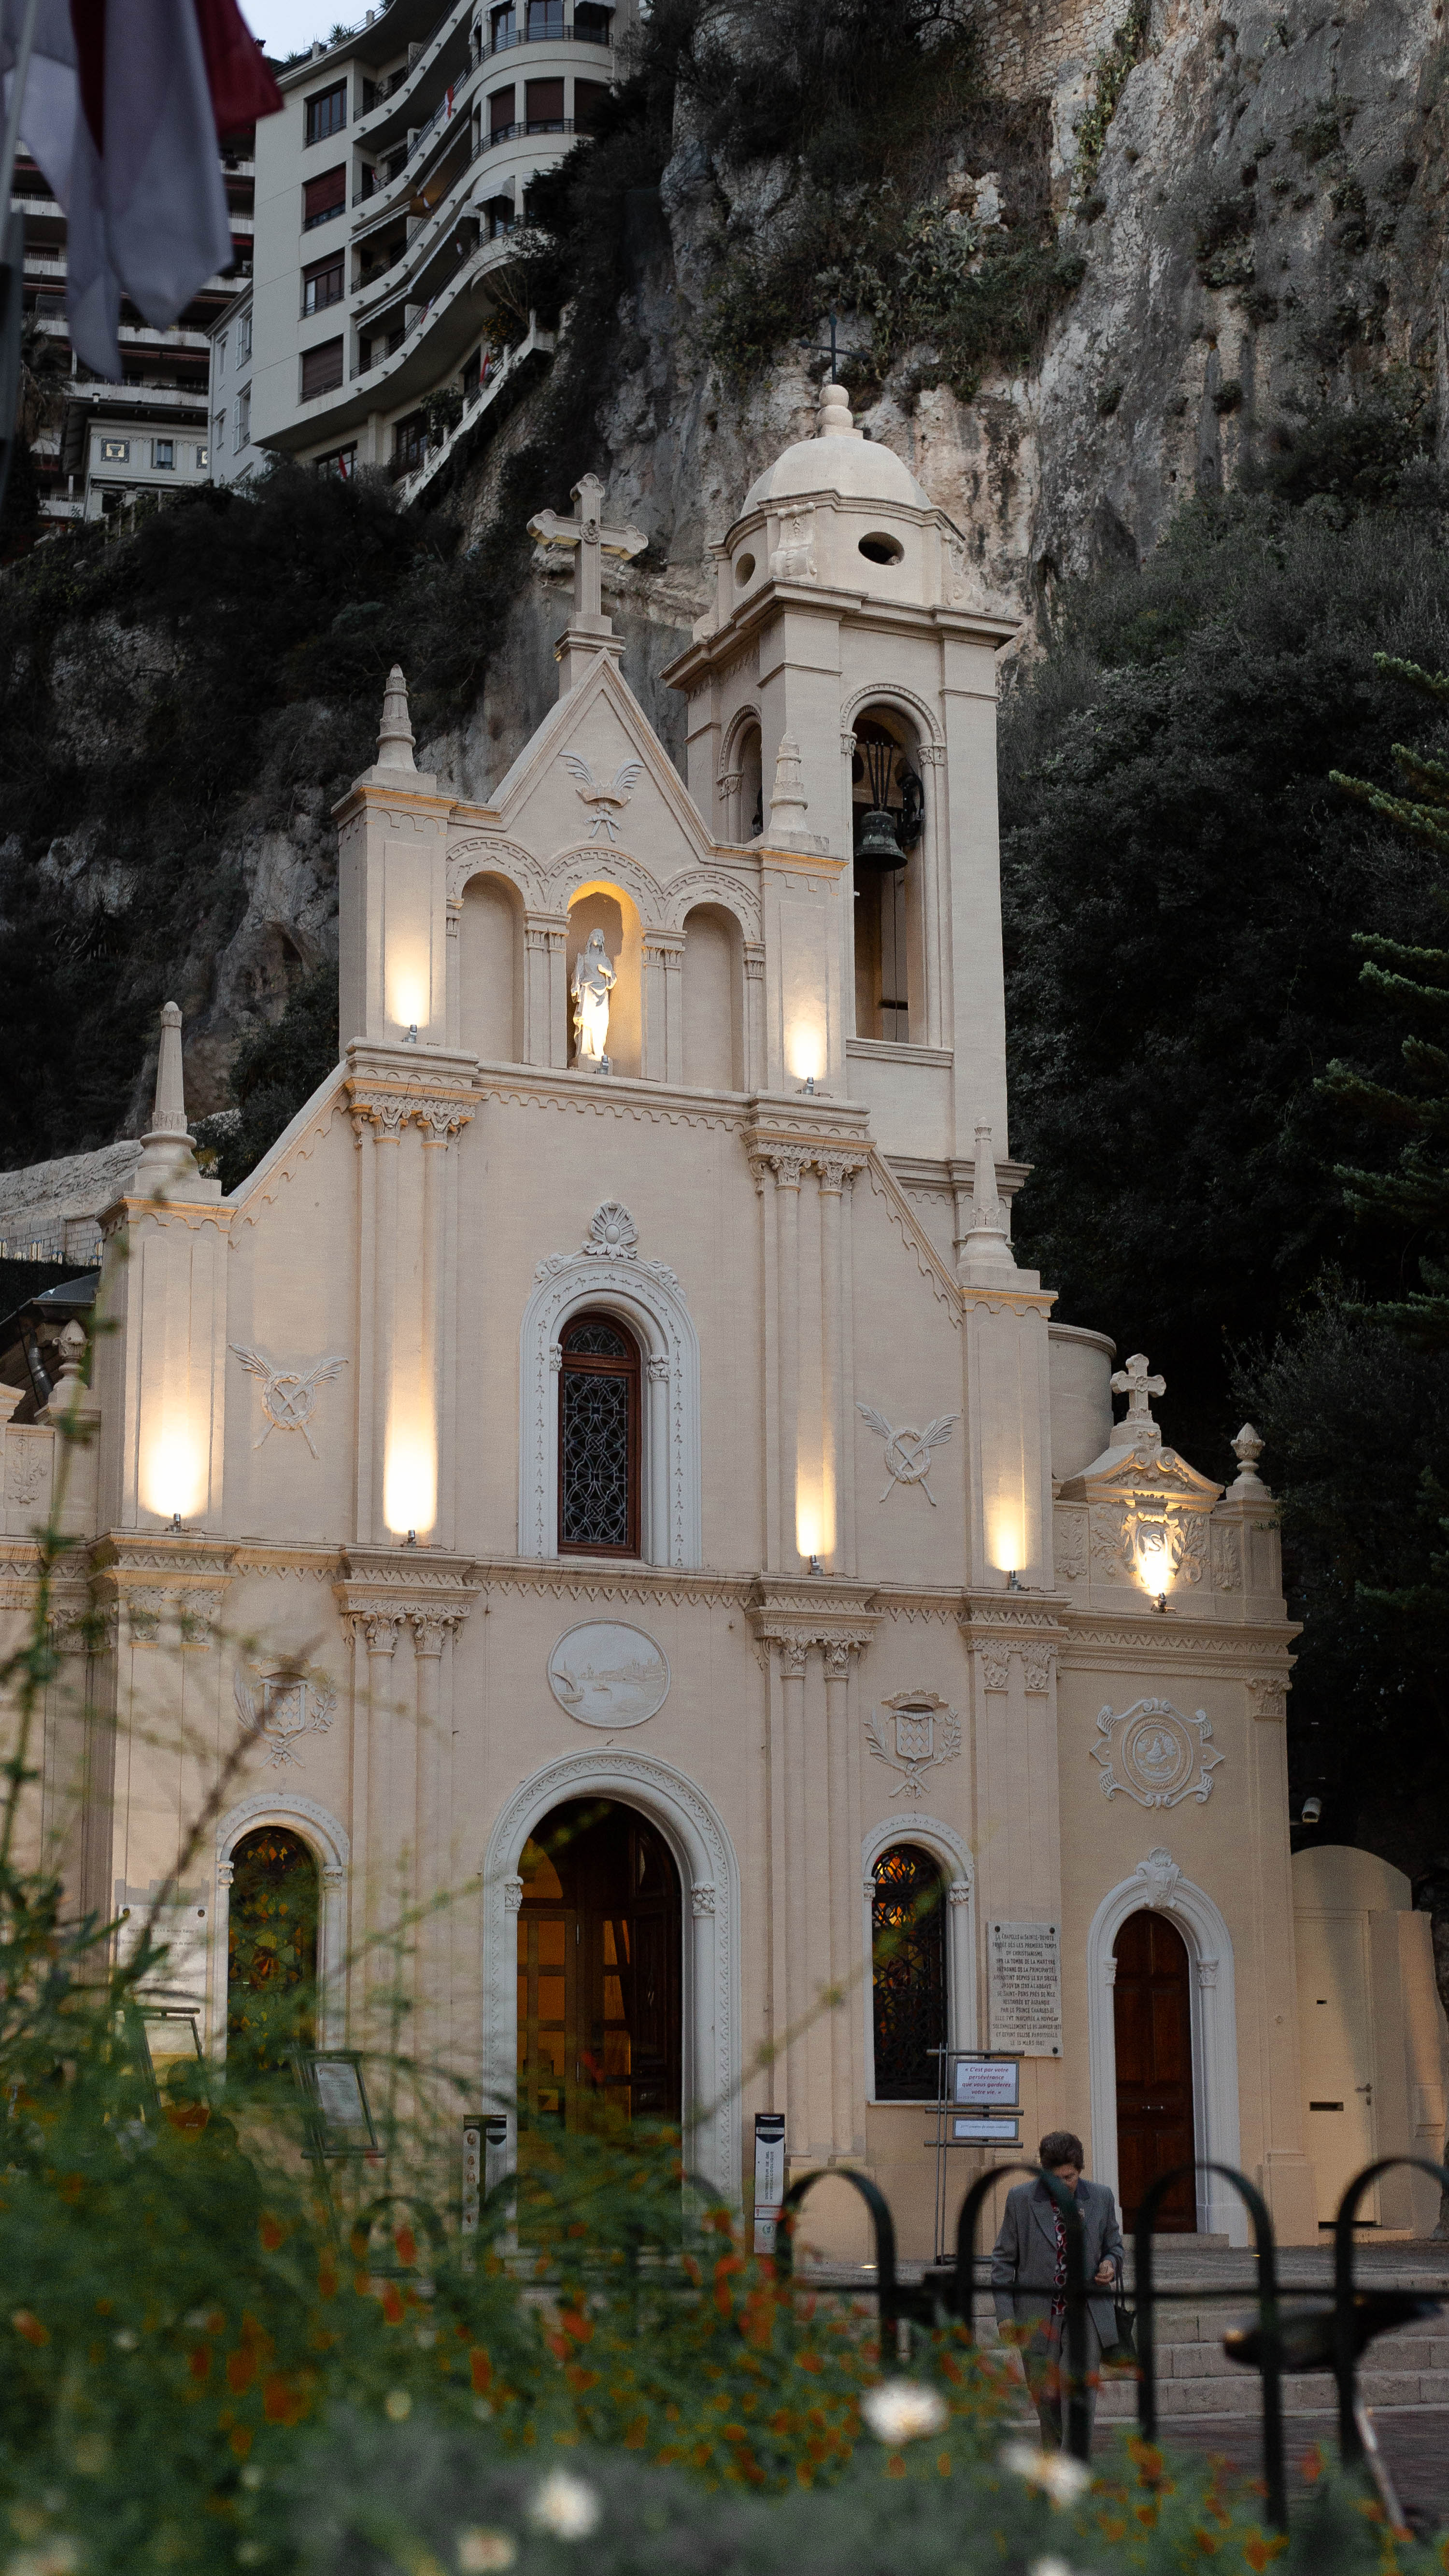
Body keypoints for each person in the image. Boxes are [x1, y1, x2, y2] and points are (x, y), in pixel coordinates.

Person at [990, 2128, 1124, 2453]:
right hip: (1038, 2316)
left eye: (1071, 2177)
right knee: (1046, 2397)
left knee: (1080, 2394)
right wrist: (1006, 2317)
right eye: (1056, 2178)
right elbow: (1004, 2261)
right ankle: (1052, 2463)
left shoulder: (1101, 2197)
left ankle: (1077, 2462)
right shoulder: (1022, 2199)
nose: (1064, 2184)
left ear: (1080, 2170)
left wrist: (1109, 2263)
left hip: (1086, 2316)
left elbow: (1115, 2246)